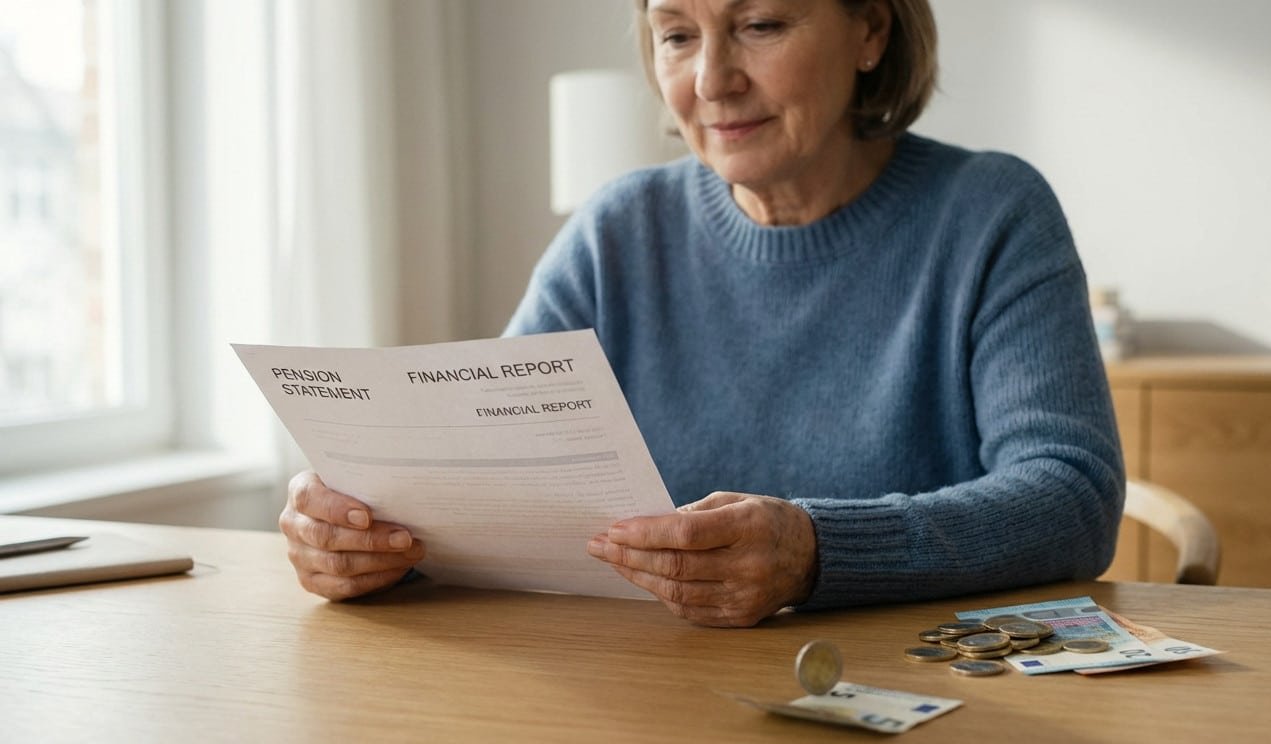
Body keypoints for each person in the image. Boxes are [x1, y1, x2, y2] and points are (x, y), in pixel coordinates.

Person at [278, 0, 1125, 627]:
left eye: (760, 24)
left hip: (922, 702)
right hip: (655, 698)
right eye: (677, 35)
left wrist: (814, 552)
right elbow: (485, 477)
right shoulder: (618, 229)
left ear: (871, 29)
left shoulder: (992, 212)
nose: (712, 81)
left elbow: (1072, 499)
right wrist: (366, 534)